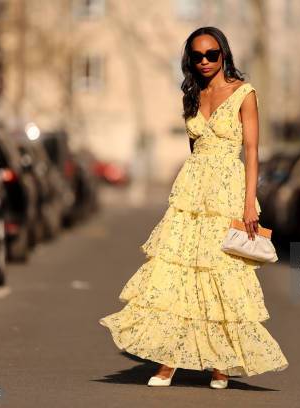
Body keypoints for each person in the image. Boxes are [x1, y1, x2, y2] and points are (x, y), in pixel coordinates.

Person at [99, 26, 288, 389]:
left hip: (226, 192)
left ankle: (220, 365)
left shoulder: (244, 94)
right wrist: (189, 190)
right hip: (191, 194)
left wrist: (250, 203)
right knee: (178, 276)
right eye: (197, 56)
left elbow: (251, 151)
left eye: (211, 55)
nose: (204, 62)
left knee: (220, 276)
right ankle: (168, 361)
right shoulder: (192, 94)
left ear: (223, 55)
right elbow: (193, 148)